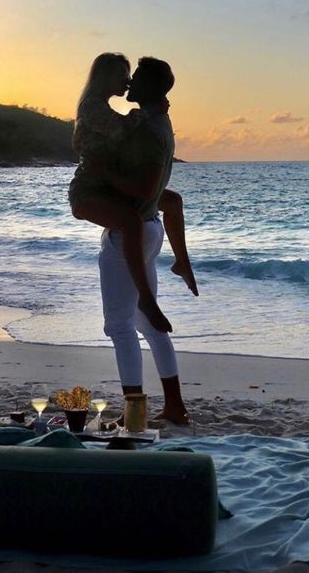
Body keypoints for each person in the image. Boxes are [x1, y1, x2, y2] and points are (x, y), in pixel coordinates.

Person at [69, 54, 197, 332]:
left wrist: (150, 113)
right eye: (123, 76)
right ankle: (146, 299)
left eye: (131, 76)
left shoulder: (104, 107)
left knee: (172, 201)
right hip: (89, 189)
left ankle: (182, 264)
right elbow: (121, 130)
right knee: (130, 221)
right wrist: (148, 112)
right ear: (105, 78)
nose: (128, 82)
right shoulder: (92, 107)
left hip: (105, 183)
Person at [96, 56, 193, 425]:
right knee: (148, 324)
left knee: (119, 327)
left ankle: (133, 415)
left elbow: (148, 187)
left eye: (136, 78)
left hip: (130, 233)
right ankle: (175, 406)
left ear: (151, 87)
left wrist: (105, 174)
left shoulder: (152, 131)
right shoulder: (157, 123)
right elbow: (163, 195)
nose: (130, 82)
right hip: (149, 227)